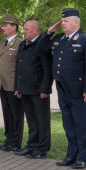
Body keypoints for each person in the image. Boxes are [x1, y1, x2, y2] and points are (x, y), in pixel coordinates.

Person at [47, 8, 86, 169]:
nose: (62, 23)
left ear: (76, 22)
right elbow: (41, 48)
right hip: (63, 88)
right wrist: (49, 33)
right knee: (68, 124)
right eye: (62, 21)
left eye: (66, 21)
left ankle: (82, 157)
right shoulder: (59, 39)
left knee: (82, 124)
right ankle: (71, 155)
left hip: (80, 90)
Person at [14, 19, 53, 159]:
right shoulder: (23, 44)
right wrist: (18, 87)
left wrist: (45, 89)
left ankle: (42, 148)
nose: (23, 31)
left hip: (38, 89)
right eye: (24, 29)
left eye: (26, 29)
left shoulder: (42, 44)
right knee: (31, 120)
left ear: (36, 30)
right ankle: (31, 145)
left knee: (42, 120)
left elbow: (47, 69)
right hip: (25, 88)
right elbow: (19, 67)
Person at [0, 14, 24, 151]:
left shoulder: (20, 43)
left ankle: (15, 142)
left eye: (5, 25)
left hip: (13, 85)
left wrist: (19, 86)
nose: (2, 27)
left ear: (13, 27)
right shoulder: (1, 43)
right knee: (7, 114)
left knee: (16, 115)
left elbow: (20, 66)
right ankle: (9, 139)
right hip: (2, 84)